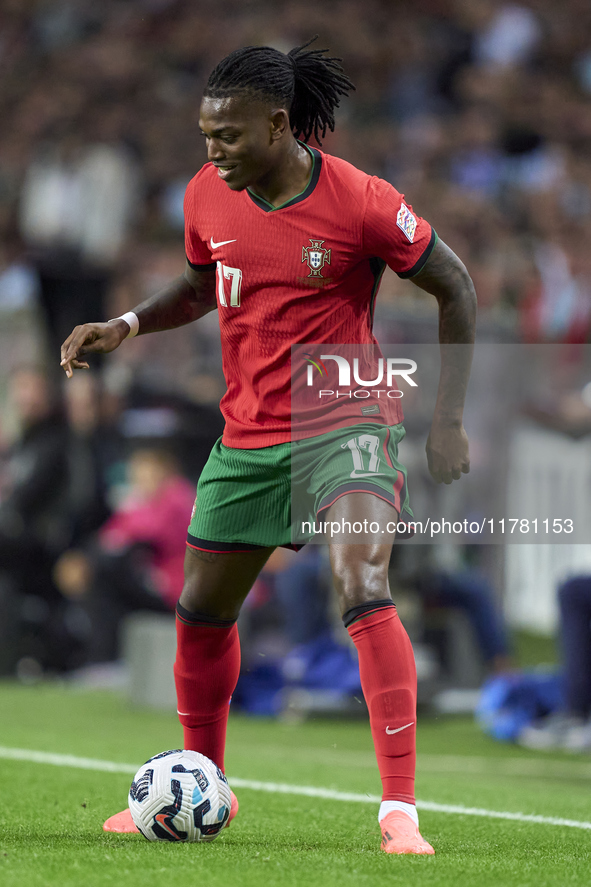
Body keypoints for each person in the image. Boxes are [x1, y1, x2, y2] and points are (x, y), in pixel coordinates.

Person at [60, 40, 476, 856]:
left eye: (228, 137)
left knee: (360, 581)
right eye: (205, 137)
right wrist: (128, 324)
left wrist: (448, 419)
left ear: (279, 125)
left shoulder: (359, 199)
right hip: (248, 435)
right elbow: (198, 282)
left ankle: (399, 809)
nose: (212, 153)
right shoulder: (206, 195)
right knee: (200, 613)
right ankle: (205, 781)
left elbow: (453, 283)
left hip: (347, 418)